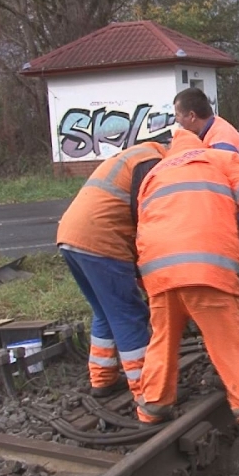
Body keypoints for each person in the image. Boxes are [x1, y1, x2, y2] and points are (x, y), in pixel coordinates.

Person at [135, 128, 239, 452]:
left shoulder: (154, 174)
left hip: (159, 273)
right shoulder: (220, 158)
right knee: (230, 346)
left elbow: (144, 224)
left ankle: (152, 408)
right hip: (207, 269)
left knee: (162, 341)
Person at [56, 141, 166, 399]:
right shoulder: (152, 163)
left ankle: (102, 378)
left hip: (70, 238)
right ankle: (147, 392)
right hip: (102, 243)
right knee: (129, 314)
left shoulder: (133, 156)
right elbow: (147, 219)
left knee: (105, 312)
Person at [172, 87, 239, 293]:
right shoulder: (214, 132)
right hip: (237, 219)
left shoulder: (220, 143)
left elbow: (222, 187)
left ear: (192, 116)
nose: (177, 121)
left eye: (178, 115)